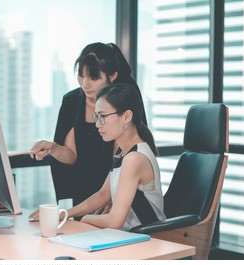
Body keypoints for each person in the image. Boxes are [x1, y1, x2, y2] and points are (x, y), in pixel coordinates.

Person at [30, 42, 148, 209]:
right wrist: (53, 148)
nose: (85, 84)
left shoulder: (123, 104)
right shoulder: (71, 101)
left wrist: (112, 198)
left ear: (112, 76)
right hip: (82, 194)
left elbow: (123, 160)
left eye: (93, 78)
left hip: (116, 194)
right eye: (81, 76)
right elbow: (71, 155)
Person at [32, 83, 165, 230]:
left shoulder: (134, 158)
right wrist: (64, 214)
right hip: (128, 236)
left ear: (126, 116)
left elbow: (115, 221)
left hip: (148, 241)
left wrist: (85, 218)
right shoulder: (123, 151)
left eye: (103, 116)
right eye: (97, 116)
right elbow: (103, 195)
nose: (97, 124)